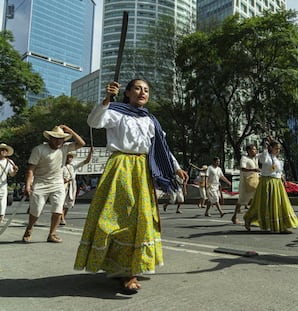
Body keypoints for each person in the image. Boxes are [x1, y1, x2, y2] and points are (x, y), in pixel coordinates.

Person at [74, 79, 188, 294]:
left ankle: (131, 271)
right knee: (115, 217)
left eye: (146, 89)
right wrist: (107, 99)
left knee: (141, 219)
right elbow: (94, 121)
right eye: (137, 88)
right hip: (120, 166)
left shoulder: (151, 120)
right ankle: (115, 264)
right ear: (127, 92)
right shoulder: (115, 111)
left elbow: (162, 148)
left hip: (143, 169)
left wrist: (176, 168)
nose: (142, 92)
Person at [22, 125, 86, 243]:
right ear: (50, 138)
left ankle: (52, 233)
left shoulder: (65, 148)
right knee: (36, 210)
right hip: (40, 183)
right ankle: (30, 228)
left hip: (57, 183)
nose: (58, 141)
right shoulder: (39, 149)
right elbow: (31, 169)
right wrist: (28, 185)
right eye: (55, 138)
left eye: (61, 138)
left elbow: (82, 143)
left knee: (57, 210)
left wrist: (70, 130)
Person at [243, 139, 298, 233]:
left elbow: (279, 171)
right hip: (267, 182)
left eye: (279, 149)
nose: (278, 150)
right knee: (262, 204)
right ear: (271, 148)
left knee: (280, 204)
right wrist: (265, 148)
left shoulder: (277, 159)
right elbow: (263, 160)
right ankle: (248, 219)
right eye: (276, 148)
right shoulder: (264, 156)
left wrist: (283, 180)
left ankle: (282, 226)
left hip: (277, 183)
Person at [60, 146, 93, 225]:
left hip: (71, 185)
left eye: (71, 157)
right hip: (62, 185)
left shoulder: (73, 165)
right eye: (68, 157)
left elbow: (86, 161)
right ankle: (62, 218)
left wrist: (90, 153)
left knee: (69, 203)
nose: (69, 158)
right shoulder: (60, 165)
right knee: (60, 202)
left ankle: (62, 217)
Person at [231, 144, 259, 224]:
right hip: (246, 183)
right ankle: (234, 216)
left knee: (256, 199)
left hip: (255, 181)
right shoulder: (244, 158)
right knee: (241, 200)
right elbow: (242, 168)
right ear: (249, 151)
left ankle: (254, 217)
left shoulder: (255, 159)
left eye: (255, 149)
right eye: (253, 149)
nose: (255, 151)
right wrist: (254, 169)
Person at [0, 143, 18, 223]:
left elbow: (11, 174)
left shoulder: (9, 162)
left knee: (3, 201)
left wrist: (15, 170)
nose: (4, 151)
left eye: (5, 150)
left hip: (3, 185)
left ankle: (1, 216)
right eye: (2, 150)